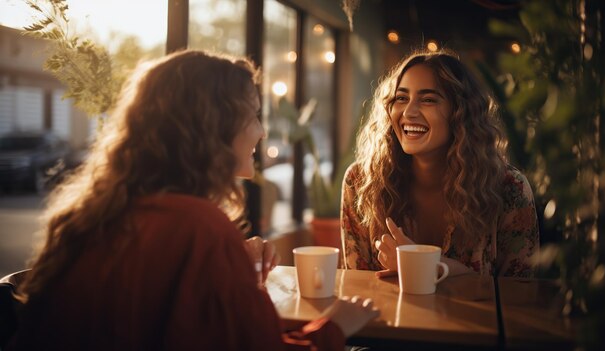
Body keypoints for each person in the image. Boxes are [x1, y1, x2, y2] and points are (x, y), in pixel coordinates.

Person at [10, 50, 379, 350]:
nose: (262, 132)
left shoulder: (99, 212)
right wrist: (332, 327)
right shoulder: (198, 229)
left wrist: (230, 268)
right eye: (252, 116)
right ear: (213, 129)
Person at [341, 49, 539, 278]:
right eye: (401, 98)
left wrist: (428, 265)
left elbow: (521, 297)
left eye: (428, 100)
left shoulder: (508, 188)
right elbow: (358, 286)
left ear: (460, 113)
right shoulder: (361, 182)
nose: (409, 112)